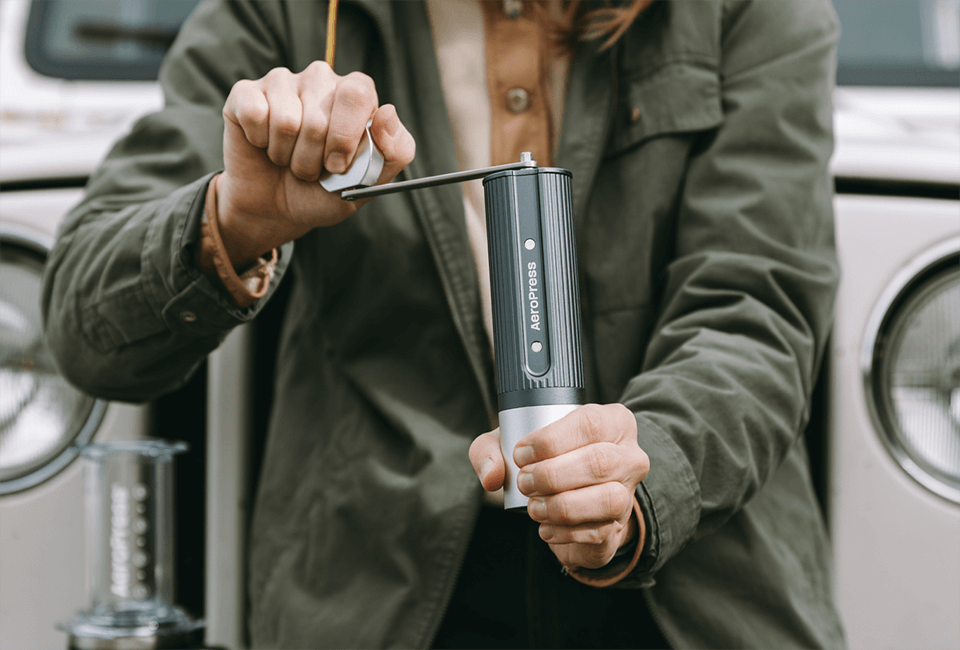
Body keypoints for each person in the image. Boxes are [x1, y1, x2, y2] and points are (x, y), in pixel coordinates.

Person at [42, 0, 846, 647]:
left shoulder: (750, 11)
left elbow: (756, 309)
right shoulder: (287, 14)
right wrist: (235, 218)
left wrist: (647, 472)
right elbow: (84, 330)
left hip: (693, 587)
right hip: (374, 601)